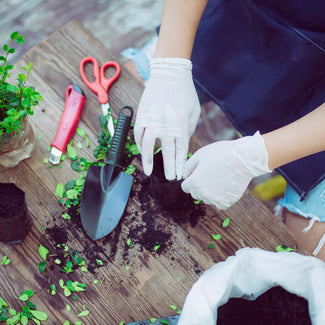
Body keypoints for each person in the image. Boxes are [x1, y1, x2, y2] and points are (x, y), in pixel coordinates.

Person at [133, 1, 325, 260]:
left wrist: (256, 155)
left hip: (318, 90)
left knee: (308, 250)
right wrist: (169, 66)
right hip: (245, 22)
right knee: (132, 89)